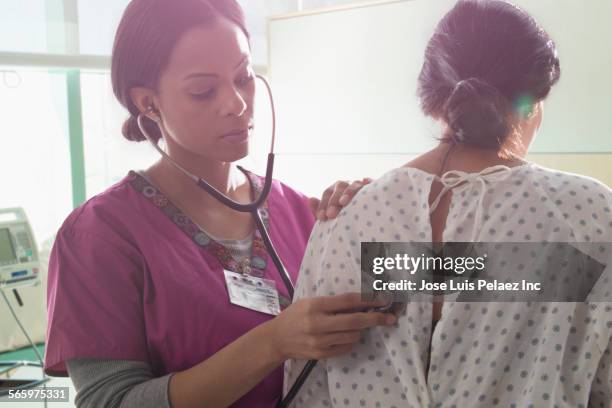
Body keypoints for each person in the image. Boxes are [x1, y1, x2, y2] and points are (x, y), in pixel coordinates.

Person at [43, 1, 398, 407]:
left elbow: (468, 279)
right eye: (203, 91)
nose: (238, 104)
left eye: (244, 77)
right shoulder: (99, 236)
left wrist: (388, 211)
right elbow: (108, 402)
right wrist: (273, 343)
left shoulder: (304, 212)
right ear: (147, 103)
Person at [284, 1, 612, 406]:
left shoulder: (345, 218)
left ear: (435, 95)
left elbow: (308, 389)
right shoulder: (589, 214)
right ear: (533, 103)